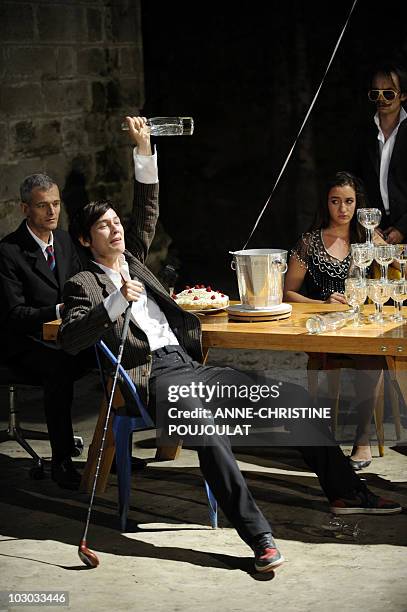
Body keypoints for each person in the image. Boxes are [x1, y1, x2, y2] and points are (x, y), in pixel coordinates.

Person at [59, 129, 401, 574]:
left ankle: (346, 491)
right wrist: (116, 300)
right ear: (86, 241)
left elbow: (146, 211)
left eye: (115, 222)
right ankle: (259, 536)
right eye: (103, 225)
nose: (116, 228)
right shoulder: (84, 282)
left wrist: (144, 150)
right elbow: (70, 338)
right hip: (154, 376)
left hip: (190, 367)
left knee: (293, 400)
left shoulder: (135, 259)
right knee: (207, 430)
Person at [0, 119, 153, 490]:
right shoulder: (8, 252)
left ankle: (112, 451)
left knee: (112, 355)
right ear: (25, 209)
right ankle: (62, 461)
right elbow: (12, 315)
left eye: (55, 204)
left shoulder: (67, 242)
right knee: (59, 369)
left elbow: (87, 284)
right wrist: (57, 313)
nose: (52, 212)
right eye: (42, 206)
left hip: (66, 333)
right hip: (26, 343)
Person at [283, 171, 396, 469]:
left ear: (358, 205)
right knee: (366, 358)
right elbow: (288, 294)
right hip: (323, 330)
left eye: (349, 202)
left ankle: (363, 440)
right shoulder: (309, 242)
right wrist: (322, 302)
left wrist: (379, 241)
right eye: (336, 201)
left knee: (373, 359)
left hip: (361, 330)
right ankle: (320, 436)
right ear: (326, 203)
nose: (343, 209)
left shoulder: (366, 239)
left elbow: (399, 266)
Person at [351, 60, 407, 244]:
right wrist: (369, 224)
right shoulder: (363, 133)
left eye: (389, 93)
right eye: (375, 93)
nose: (381, 99)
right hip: (374, 231)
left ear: (403, 95)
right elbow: (355, 182)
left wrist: (402, 229)